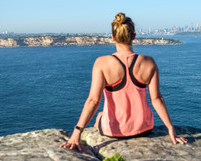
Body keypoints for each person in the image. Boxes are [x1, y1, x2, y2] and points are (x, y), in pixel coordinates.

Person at [60, 12, 187, 151]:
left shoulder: (101, 63)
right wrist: (170, 129)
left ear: (113, 37)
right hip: (144, 128)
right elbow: (157, 99)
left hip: (114, 131)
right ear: (134, 36)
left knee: (100, 116)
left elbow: (93, 101)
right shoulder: (149, 62)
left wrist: (77, 132)